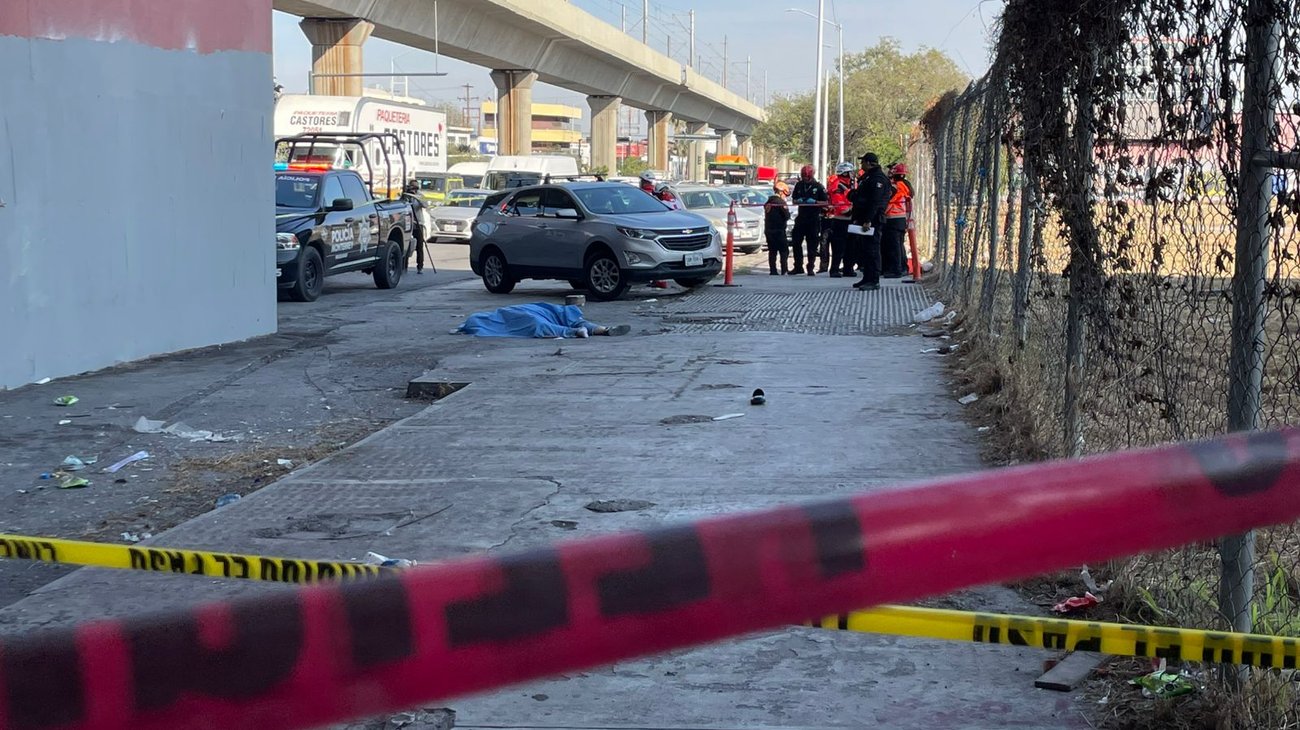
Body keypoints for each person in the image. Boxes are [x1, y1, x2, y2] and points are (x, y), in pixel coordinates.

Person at [850, 152, 893, 291]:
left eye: (863, 162)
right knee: (864, 250)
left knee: (873, 250)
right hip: (863, 218)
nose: (861, 165)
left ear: (869, 163)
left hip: (872, 220)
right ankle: (866, 277)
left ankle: (874, 280)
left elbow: (875, 202)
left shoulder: (878, 179)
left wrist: (868, 219)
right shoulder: (868, 177)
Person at [789, 164, 828, 275]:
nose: (805, 179)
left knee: (812, 245)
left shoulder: (819, 186)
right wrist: (800, 201)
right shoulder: (799, 185)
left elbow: (826, 202)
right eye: (803, 176)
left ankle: (810, 266)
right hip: (801, 219)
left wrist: (815, 202)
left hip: (813, 219)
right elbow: (794, 200)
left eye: (806, 177)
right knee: (796, 243)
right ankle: (798, 266)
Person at [882, 163, 914, 278]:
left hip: (893, 219)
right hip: (900, 219)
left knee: (894, 246)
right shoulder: (905, 186)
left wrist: (881, 212)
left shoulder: (896, 187)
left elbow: (889, 201)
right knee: (899, 245)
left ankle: (896, 270)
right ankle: (902, 267)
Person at [826, 162, 857, 278]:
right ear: (844, 173)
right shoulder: (837, 185)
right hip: (841, 220)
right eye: (850, 172)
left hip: (851, 219)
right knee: (838, 247)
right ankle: (834, 269)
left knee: (851, 246)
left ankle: (848, 269)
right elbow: (840, 204)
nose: (852, 175)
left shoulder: (851, 184)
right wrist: (850, 210)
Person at [402, 180, 430, 274]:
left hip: (419, 222)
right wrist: (406, 195)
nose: (414, 189)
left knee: (419, 246)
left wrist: (417, 197)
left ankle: (420, 266)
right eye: (412, 187)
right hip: (408, 222)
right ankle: (404, 266)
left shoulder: (420, 195)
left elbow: (425, 205)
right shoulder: (406, 195)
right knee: (406, 244)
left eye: (415, 187)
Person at [764, 193, 791, 275]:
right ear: (781, 193)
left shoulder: (768, 202)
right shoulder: (781, 202)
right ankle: (784, 270)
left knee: (772, 251)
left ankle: (773, 270)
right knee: (784, 250)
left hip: (769, 230)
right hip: (779, 229)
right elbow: (786, 215)